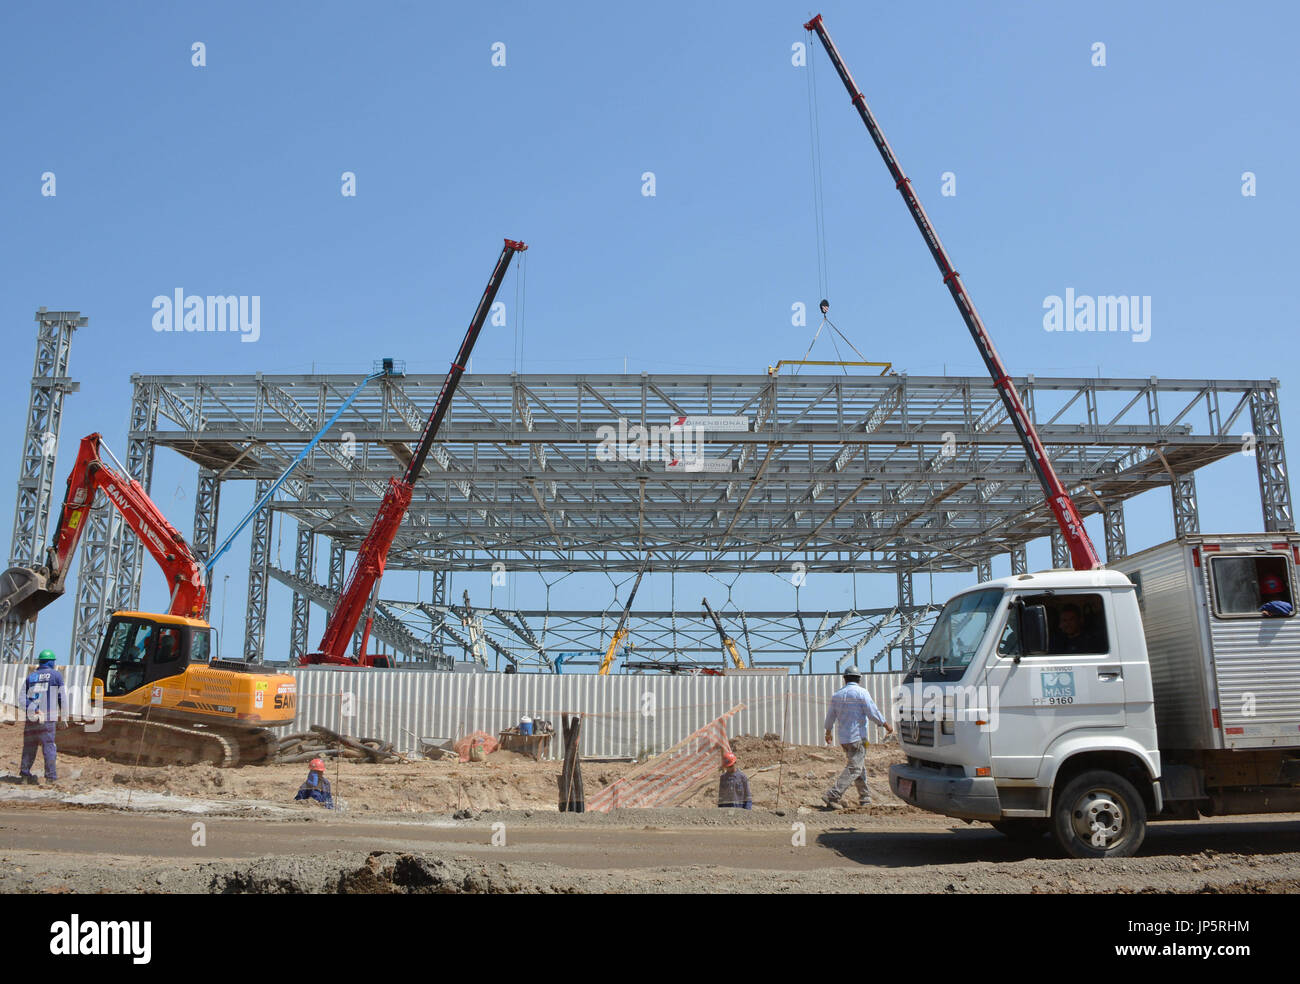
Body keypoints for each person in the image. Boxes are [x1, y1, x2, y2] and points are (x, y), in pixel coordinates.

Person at [823, 666, 892, 809]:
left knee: (859, 766)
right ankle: (832, 795)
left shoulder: (837, 695)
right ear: (859, 679)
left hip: (844, 740)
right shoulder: (861, 693)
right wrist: (885, 724)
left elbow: (830, 717)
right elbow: (872, 711)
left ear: (845, 678)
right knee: (855, 768)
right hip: (859, 738)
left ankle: (865, 798)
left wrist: (828, 732)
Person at [20, 650, 64, 786]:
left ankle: (25, 776)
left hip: (32, 717)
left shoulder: (30, 677)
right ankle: (50, 778)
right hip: (48, 718)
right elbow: (61, 697)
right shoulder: (56, 675)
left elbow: (22, 699)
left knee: (29, 746)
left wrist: (34, 709)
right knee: (49, 746)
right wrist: (64, 715)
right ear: (51, 662)